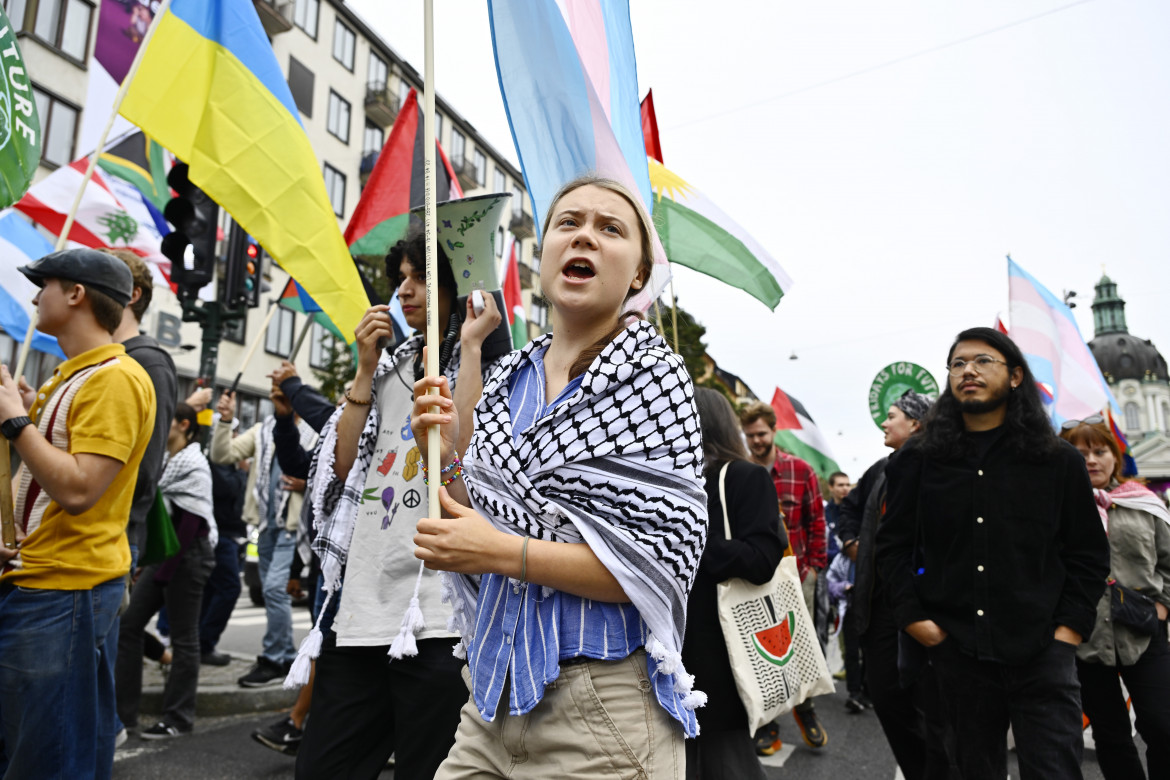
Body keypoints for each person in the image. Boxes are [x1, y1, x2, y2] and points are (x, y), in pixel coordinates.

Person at [411, 176, 708, 779]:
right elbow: (469, 516)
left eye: (610, 229)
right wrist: (437, 450)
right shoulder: (506, 378)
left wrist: (503, 552)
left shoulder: (655, 379)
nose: (585, 237)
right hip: (492, 698)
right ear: (543, 252)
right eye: (568, 223)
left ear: (638, 274)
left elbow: (652, 566)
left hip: (603, 712)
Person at [291, 228, 503, 778]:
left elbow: (469, 466)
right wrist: (364, 366)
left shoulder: (493, 367)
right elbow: (339, 469)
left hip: (440, 617)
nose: (404, 292)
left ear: (459, 289)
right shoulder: (388, 369)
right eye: (400, 280)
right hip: (361, 609)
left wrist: (474, 347)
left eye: (421, 278)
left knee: (429, 769)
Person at [876, 327, 1110, 780]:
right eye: (959, 363)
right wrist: (916, 622)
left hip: (1043, 652)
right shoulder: (918, 460)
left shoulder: (1057, 460)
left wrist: (1069, 631)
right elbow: (892, 547)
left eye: (984, 361)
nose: (969, 370)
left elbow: (1087, 553)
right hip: (956, 654)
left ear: (1016, 376)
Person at [0, 248, 155, 778]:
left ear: (76, 294)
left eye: (43, 284)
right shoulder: (74, 375)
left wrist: (17, 423)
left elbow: (81, 489)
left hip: (65, 591)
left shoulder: (114, 378)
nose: (34, 295)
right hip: (45, 580)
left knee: (48, 756)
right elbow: (46, 481)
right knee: (42, 744)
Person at [838, 390, 953, 776]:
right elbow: (848, 508)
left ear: (916, 423)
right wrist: (853, 540)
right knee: (887, 699)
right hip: (880, 607)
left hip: (925, 609)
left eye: (892, 416)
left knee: (934, 711)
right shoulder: (879, 470)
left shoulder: (943, 469)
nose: (884, 423)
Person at [683, 388, 787, 780]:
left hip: (721, 646)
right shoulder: (666, 480)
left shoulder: (744, 476)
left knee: (724, 761)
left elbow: (762, 559)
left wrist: (689, 546)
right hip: (666, 647)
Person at [1061, 416, 1170, 779]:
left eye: (1099, 451)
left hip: (1143, 632)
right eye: (1079, 453)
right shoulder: (1057, 510)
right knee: (1110, 735)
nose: (1090, 460)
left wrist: (1164, 605)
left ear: (1115, 456)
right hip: (1086, 637)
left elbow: (1168, 561)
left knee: (1162, 724)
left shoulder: (1145, 504)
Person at [104, 248, 177, 745]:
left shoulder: (147, 362)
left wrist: (127, 535)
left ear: (131, 296)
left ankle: (111, 728)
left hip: (112, 537)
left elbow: (146, 466)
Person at [115, 402, 217, 739]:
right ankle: (123, 716)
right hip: (166, 557)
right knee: (128, 624)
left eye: (167, 419)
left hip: (189, 557)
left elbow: (191, 523)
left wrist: (163, 571)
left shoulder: (195, 465)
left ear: (184, 425)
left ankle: (178, 719)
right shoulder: (164, 461)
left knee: (184, 638)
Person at [210, 386, 317, 687]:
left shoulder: (314, 431)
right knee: (275, 592)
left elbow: (330, 472)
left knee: (273, 589)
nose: (278, 400)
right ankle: (282, 657)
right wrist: (225, 420)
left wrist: (306, 482)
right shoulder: (262, 430)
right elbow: (222, 454)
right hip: (265, 525)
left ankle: (275, 657)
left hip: (293, 528)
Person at [740, 400, 829, 752]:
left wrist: (814, 570)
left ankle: (806, 710)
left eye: (761, 434)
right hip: (753, 579)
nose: (756, 441)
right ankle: (769, 721)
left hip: (797, 575)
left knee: (800, 647)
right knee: (760, 651)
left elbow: (816, 522)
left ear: (774, 431)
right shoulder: (739, 470)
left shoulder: (801, 470)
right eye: (749, 436)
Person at [824, 471, 850, 563]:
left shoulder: (855, 512)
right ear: (831, 487)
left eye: (848, 484)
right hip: (829, 567)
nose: (845, 488)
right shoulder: (824, 513)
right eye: (840, 485)